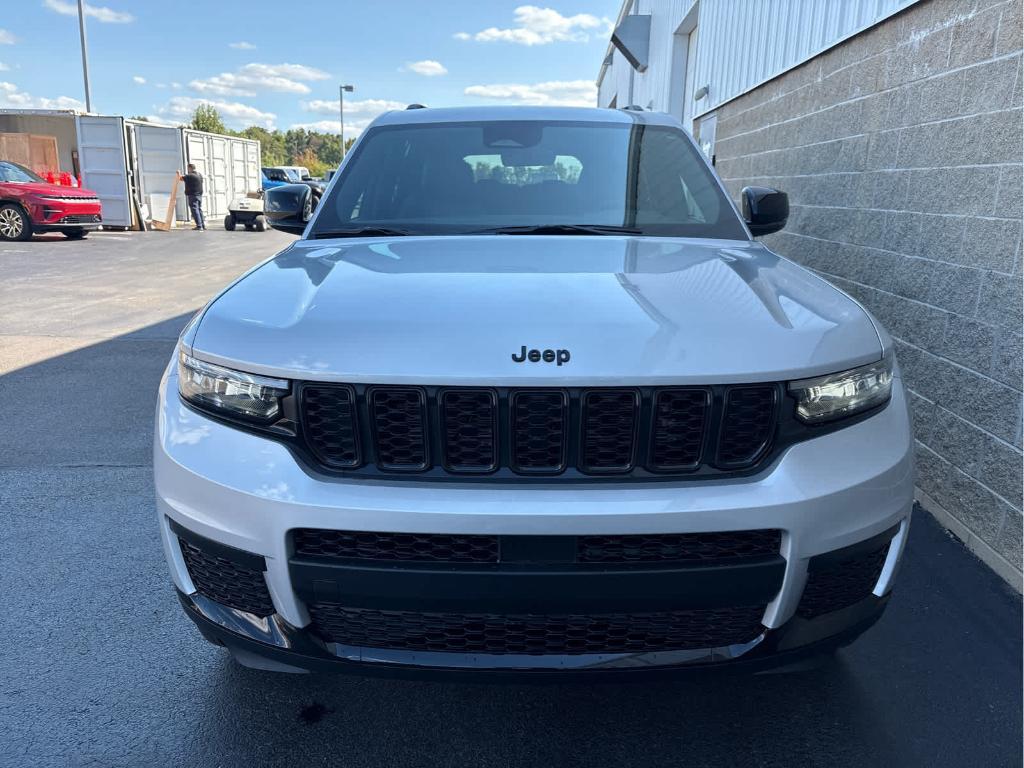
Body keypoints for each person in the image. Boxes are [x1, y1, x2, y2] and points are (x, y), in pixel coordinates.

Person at [178, 164, 205, 230]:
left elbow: (180, 178)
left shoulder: (190, 175)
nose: (188, 170)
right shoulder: (199, 175)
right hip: (199, 195)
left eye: (188, 168)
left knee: (195, 210)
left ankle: (199, 226)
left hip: (193, 195)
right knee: (199, 209)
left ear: (190, 168)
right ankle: (202, 225)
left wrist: (178, 173)